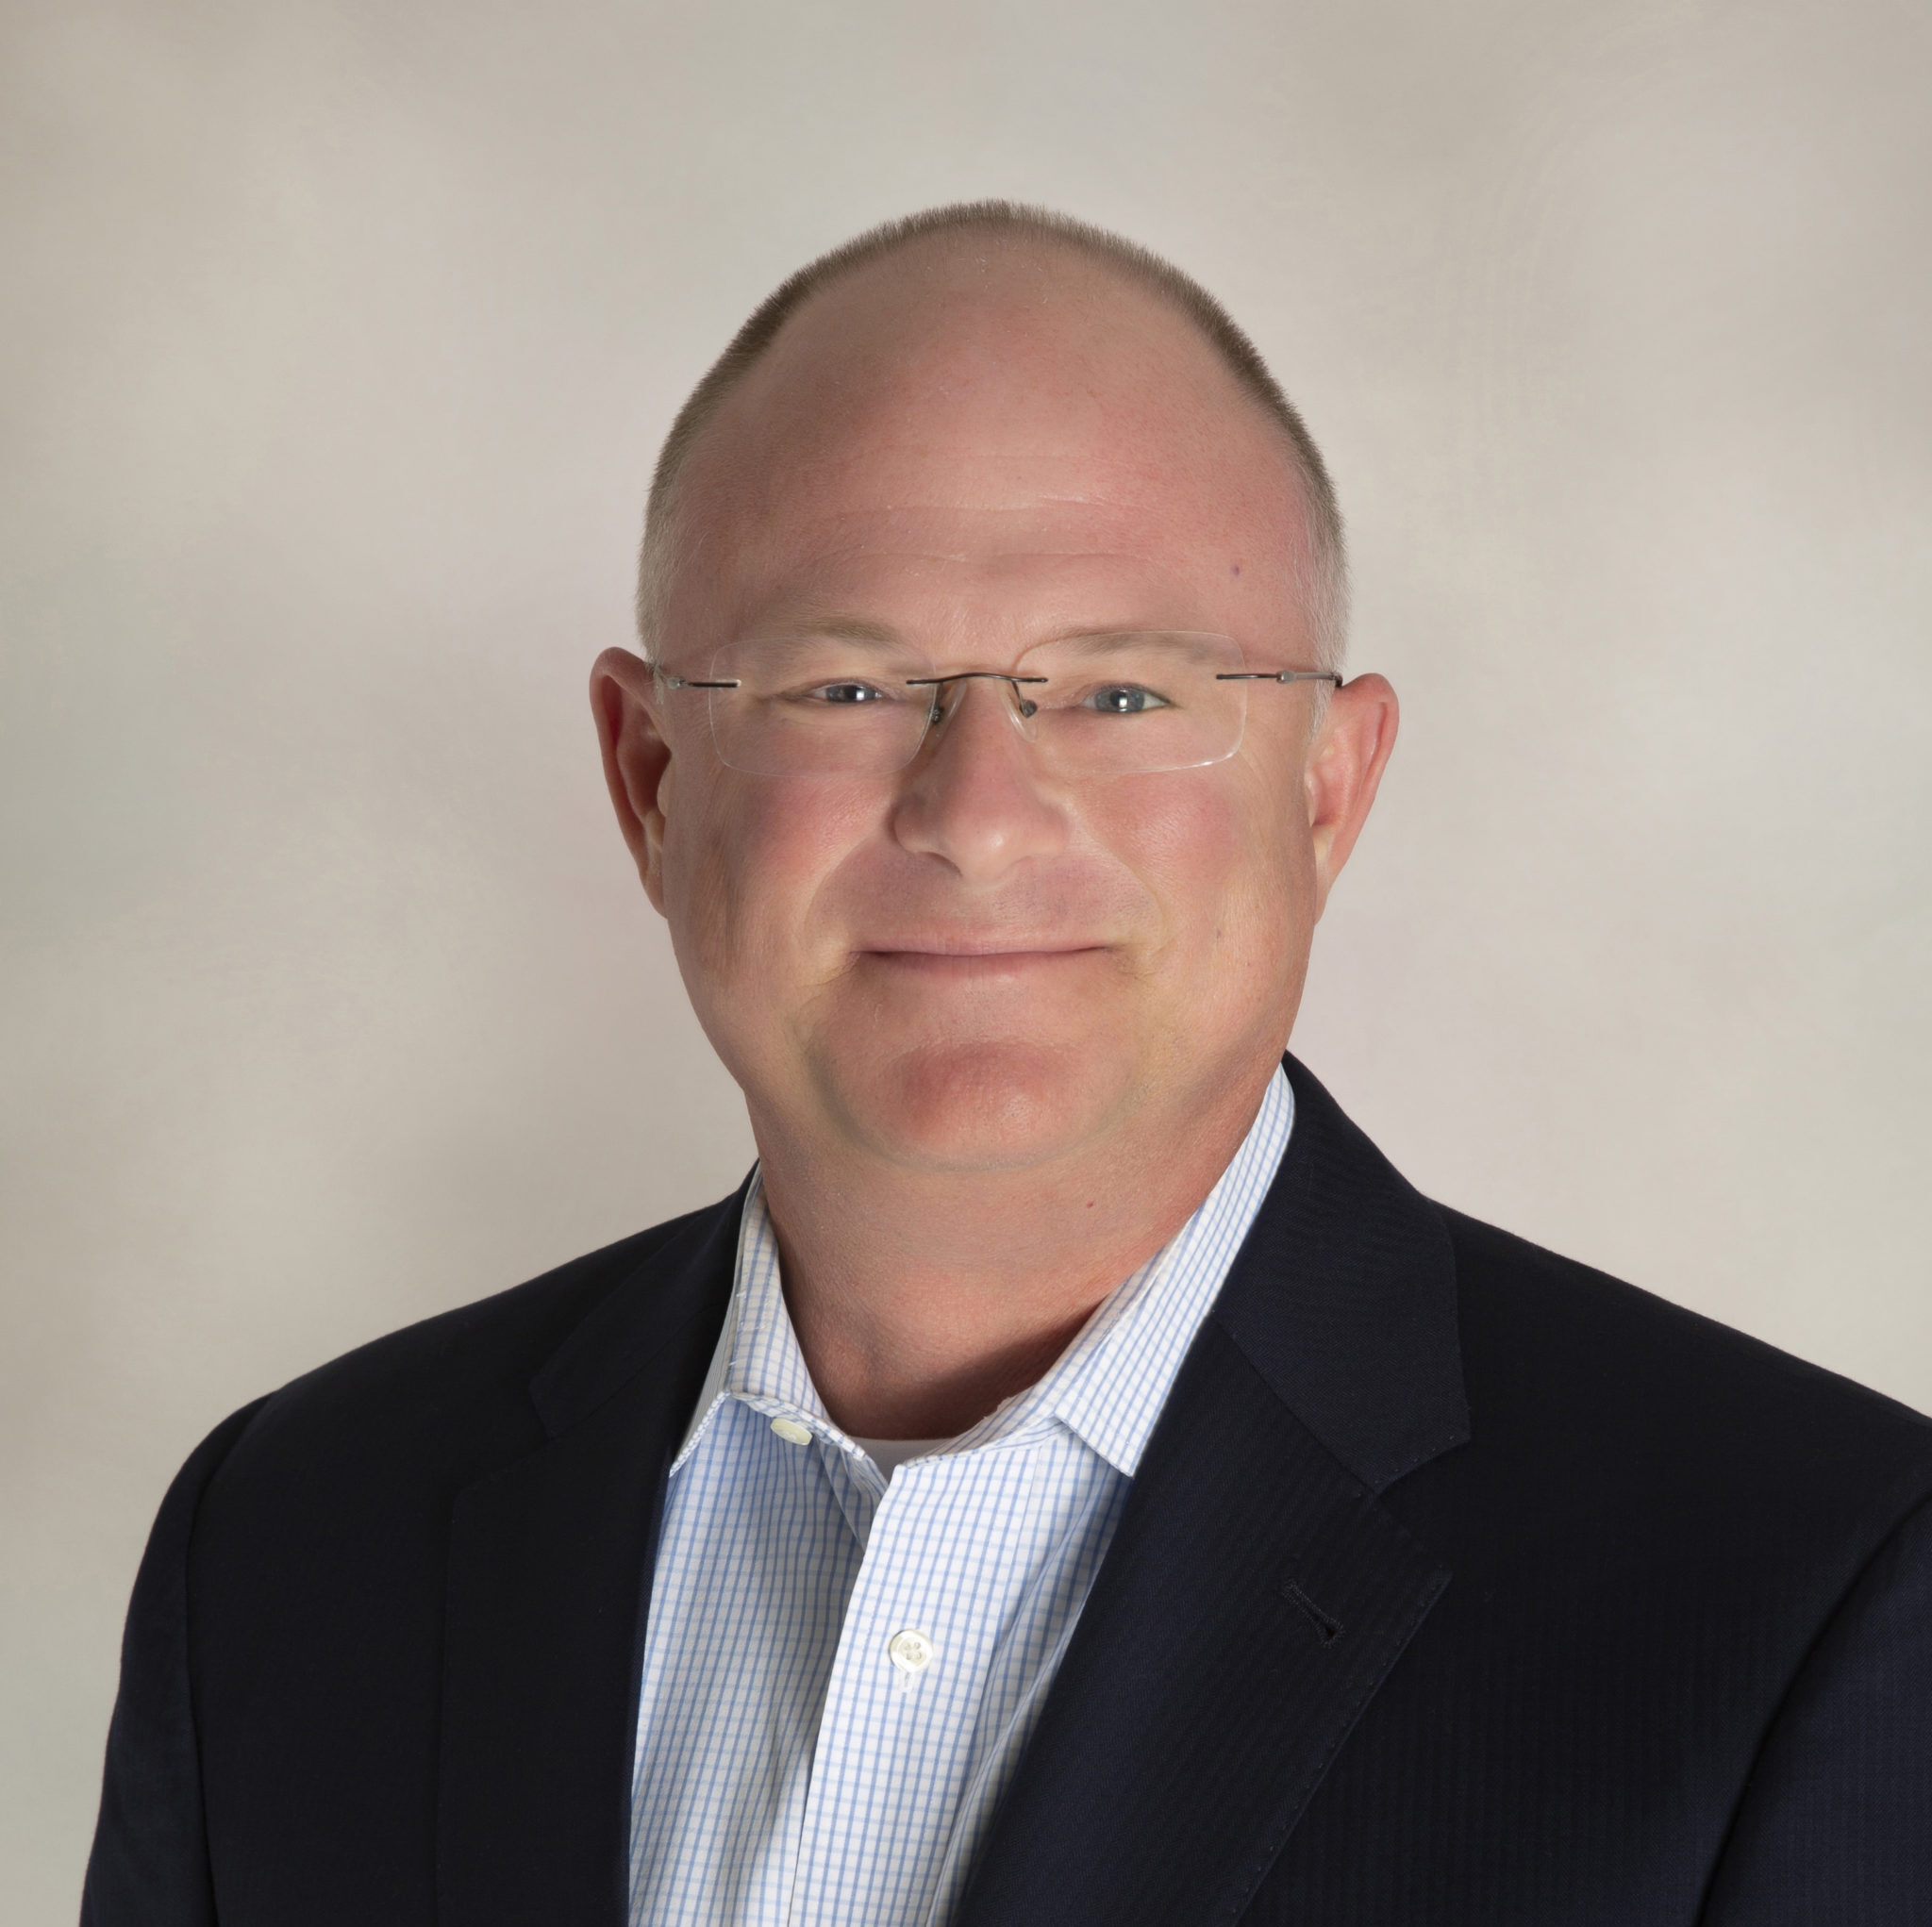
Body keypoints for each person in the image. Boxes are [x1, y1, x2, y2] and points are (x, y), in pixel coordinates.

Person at [83, 203, 1931, 1927]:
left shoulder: (1810, 1599)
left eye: (1121, 692)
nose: (975, 816)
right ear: (649, 777)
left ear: (1326, 789)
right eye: (845, 685)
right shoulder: (292, 1542)